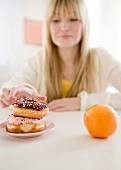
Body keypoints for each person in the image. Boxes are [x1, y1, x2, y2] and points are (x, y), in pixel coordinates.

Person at [0, 0, 121, 111]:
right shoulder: (39, 58)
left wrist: (83, 102)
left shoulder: (100, 58)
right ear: (48, 26)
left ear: (84, 24)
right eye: (56, 20)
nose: (64, 27)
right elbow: (10, 86)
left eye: (73, 19)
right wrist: (17, 91)